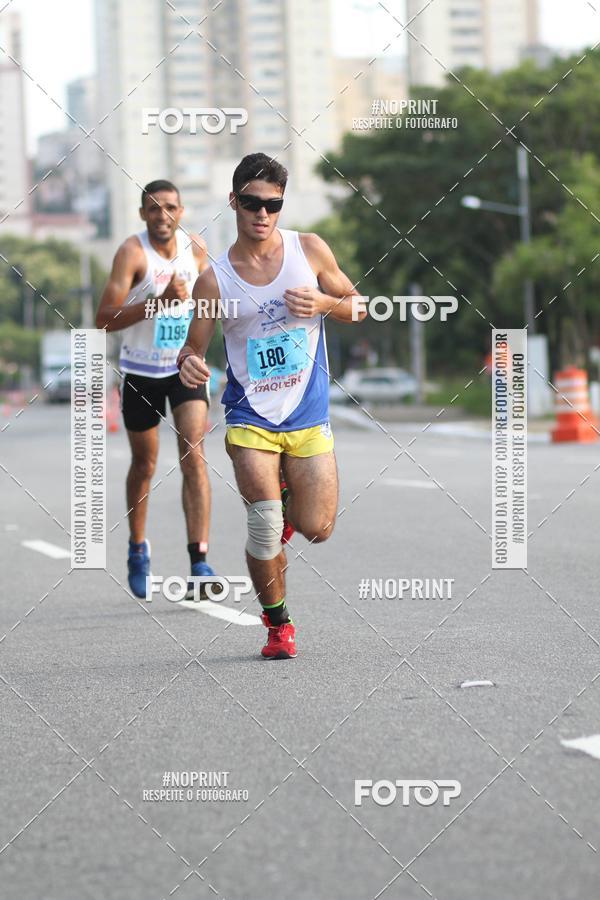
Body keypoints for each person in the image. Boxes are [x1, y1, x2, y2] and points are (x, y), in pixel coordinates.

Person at [177, 153, 365, 658]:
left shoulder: (310, 250)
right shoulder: (215, 280)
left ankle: (287, 501)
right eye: (253, 203)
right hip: (250, 417)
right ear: (234, 202)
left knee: (317, 529)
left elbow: (359, 305)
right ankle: (277, 625)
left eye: (273, 205)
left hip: (307, 415)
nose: (263, 214)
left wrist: (325, 304)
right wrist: (189, 363)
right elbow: (192, 348)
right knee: (263, 525)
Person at [95, 179, 215, 599]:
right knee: (144, 465)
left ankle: (199, 559)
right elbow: (102, 319)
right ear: (143, 214)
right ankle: (137, 548)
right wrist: (155, 302)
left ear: (180, 213)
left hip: (183, 369)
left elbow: (211, 301)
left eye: (170, 207)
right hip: (141, 371)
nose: (162, 215)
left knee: (193, 455)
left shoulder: (195, 249)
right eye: (153, 208)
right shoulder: (131, 252)